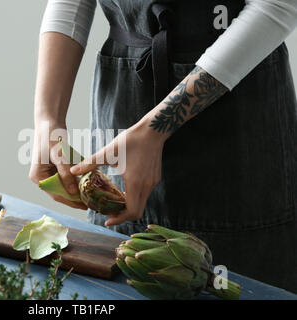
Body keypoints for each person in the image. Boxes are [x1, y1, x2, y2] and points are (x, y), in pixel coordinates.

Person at [29, 0, 297, 292]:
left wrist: (154, 130)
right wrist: (48, 118)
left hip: (239, 111)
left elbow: (277, 5)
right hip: (125, 97)